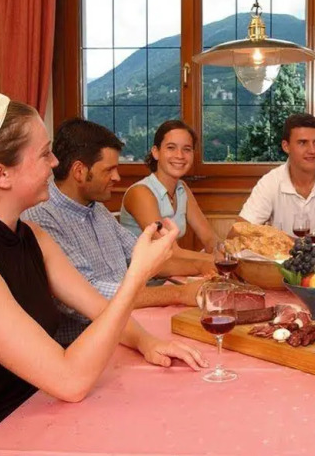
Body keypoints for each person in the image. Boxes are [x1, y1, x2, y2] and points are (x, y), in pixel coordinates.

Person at [0, 94, 207, 456]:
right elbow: (70, 381)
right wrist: (138, 275)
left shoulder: (31, 236)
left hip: (31, 422)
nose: (56, 163)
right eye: (44, 154)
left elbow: (98, 308)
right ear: (0, 175)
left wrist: (147, 342)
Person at [23, 118, 211, 346]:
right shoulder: (42, 218)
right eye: (109, 170)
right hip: (84, 346)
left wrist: (205, 267)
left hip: (127, 328)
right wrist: (180, 294)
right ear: (79, 171)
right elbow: (89, 296)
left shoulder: (96, 209)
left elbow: (144, 257)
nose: (117, 177)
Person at [235, 113, 315, 241]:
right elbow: (236, 234)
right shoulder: (269, 182)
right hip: (282, 257)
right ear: (286, 146)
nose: (312, 150)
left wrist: (302, 245)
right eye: (303, 143)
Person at [121, 120, 217, 258]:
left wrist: (226, 255)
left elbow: (209, 238)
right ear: (156, 152)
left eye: (187, 149)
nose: (180, 155)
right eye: (171, 147)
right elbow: (167, 252)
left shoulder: (182, 189)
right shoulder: (140, 192)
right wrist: (214, 260)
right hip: (142, 271)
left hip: (171, 268)